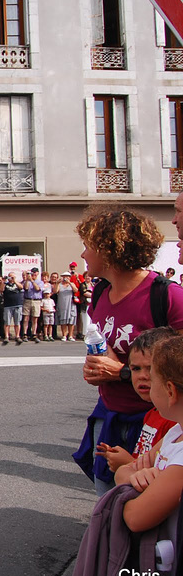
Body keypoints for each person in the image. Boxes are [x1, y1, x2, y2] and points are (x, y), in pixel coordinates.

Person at [73, 204, 183, 496]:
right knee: (106, 497)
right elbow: (104, 348)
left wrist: (121, 373)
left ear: (110, 249)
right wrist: (96, 369)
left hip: (155, 422)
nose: (83, 254)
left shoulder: (167, 295)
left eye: (88, 246)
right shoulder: (100, 292)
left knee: (143, 500)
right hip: (109, 414)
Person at [110, 335, 183, 535]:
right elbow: (123, 472)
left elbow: (135, 518)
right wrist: (137, 477)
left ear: (170, 391)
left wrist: (141, 484)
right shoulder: (176, 432)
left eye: (154, 377)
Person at [96, 327, 177, 476]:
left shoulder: (174, 423)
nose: (143, 376)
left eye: (150, 369)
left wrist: (127, 464)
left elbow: (161, 474)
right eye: (135, 368)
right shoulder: (151, 415)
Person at [22, 268, 44, 343]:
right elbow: (26, 288)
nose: (33, 275)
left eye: (35, 273)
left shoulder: (40, 282)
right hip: (28, 300)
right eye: (32, 273)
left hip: (36, 301)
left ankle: (34, 333)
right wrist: (28, 280)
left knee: (35, 318)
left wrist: (32, 281)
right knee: (26, 318)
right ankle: (25, 334)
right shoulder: (27, 281)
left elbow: (38, 288)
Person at [1, 271, 23, 346]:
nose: (11, 278)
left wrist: (15, 280)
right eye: (10, 277)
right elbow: (1, 290)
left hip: (17, 305)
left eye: (12, 277)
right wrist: (4, 281)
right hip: (8, 306)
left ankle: (17, 336)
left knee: (17, 322)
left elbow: (21, 287)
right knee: (7, 322)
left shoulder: (17, 284)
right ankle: (6, 336)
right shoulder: (5, 285)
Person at [55, 272, 78, 341]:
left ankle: (70, 335)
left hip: (70, 303)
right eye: (64, 277)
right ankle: (64, 335)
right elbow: (56, 291)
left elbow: (76, 290)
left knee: (71, 319)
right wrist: (57, 283)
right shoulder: (59, 285)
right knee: (63, 319)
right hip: (62, 304)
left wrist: (70, 283)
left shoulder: (72, 284)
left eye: (67, 277)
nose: (65, 278)